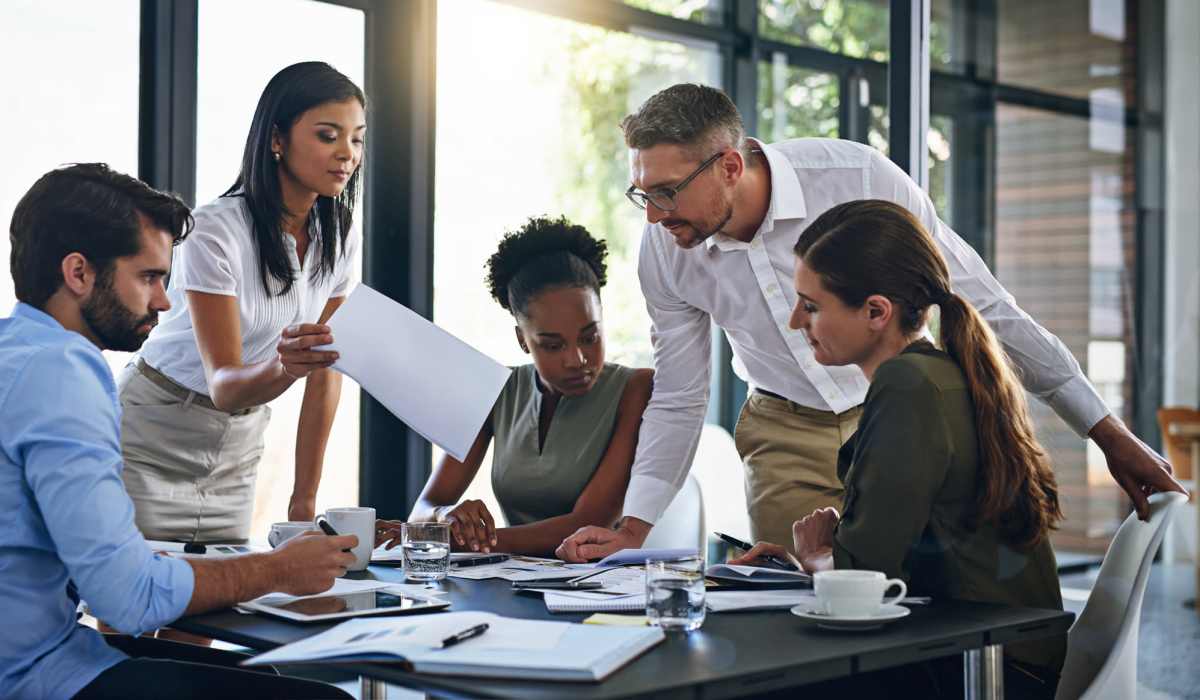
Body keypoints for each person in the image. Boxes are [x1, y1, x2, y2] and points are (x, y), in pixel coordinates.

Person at [556, 83, 1184, 562]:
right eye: (643, 193)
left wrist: (1106, 433)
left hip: (895, 418)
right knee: (797, 620)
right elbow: (680, 393)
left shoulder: (857, 180)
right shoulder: (667, 249)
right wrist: (632, 529)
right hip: (784, 432)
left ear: (728, 165)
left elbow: (985, 306)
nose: (653, 215)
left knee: (912, 607)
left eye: (667, 191)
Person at [0, 163, 357, 699]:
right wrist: (277, 569)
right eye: (149, 277)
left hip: (47, 647)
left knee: (265, 678)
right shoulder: (65, 374)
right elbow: (126, 599)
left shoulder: (16, 352)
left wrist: (135, 557)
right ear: (78, 273)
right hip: (38, 676)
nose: (165, 302)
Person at [731, 199, 1066, 697]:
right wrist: (811, 560)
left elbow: (866, 577)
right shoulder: (944, 372)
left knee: (753, 675)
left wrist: (817, 554)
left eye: (812, 305)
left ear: (875, 312)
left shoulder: (907, 385)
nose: (796, 322)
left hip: (979, 667)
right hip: (1001, 654)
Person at [121, 61, 365, 543]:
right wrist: (287, 367)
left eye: (356, 139)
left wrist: (304, 499)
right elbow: (225, 384)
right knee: (126, 610)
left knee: (218, 607)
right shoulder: (215, 230)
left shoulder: (339, 233)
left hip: (238, 446)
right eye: (327, 135)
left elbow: (326, 371)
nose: (346, 154)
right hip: (153, 432)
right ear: (277, 139)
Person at [379, 217, 653, 556]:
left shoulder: (636, 389)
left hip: (606, 588)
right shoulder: (496, 389)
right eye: (553, 345)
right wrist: (445, 517)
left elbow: (587, 523)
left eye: (590, 337)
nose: (577, 359)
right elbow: (425, 507)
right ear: (523, 340)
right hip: (513, 582)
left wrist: (464, 540)